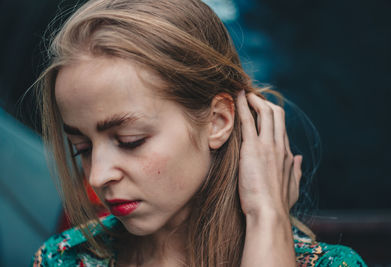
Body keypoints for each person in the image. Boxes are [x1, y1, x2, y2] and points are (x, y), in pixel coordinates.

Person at [31, 0, 366, 266]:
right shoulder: (64, 259)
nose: (98, 176)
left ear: (218, 120)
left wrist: (267, 218)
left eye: (130, 141)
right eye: (82, 148)